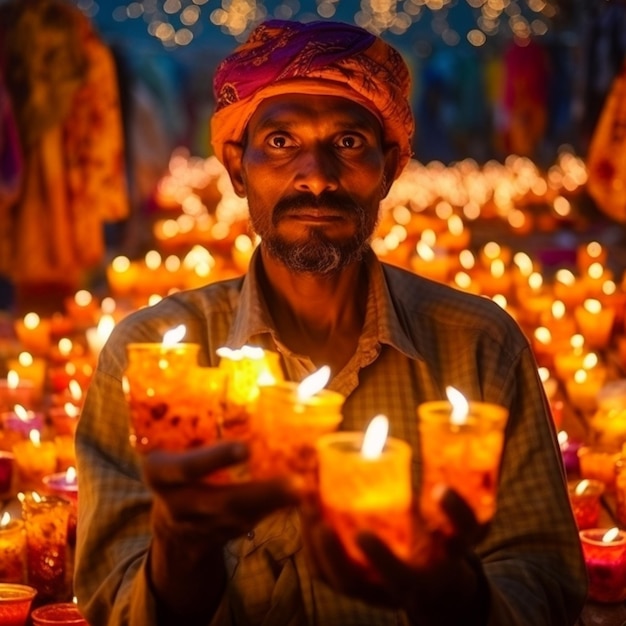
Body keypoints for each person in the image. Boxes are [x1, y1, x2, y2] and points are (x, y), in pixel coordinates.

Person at [74, 19, 587, 626]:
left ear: (390, 166)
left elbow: (543, 576)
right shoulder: (148, 358)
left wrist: (453, 595)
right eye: (281, 142)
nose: (315, 176)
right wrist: (183, 548)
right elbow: (113, 602)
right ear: (238, 169)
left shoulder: (481, 346)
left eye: (347, 143)